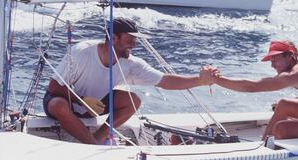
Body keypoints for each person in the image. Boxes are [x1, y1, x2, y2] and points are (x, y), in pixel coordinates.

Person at [43, 17, 209, 145]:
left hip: (96, 106)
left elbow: (165, 81)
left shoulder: (130, 63)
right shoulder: (82, 52)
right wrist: (82, 100)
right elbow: (53, 87)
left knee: (133, 100)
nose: (134, 45)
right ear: (113, 38)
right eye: (130, 40)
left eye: (135, 40)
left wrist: (200, 81)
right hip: (68, 101)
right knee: (58, 104)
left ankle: (100, 138)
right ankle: (92, 144)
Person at [200, 40, 298, 143]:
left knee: (281, 128)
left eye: (275, 59)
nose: (272, 65)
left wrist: (216, 80)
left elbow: (252, 87)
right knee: (283, 104)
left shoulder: (295, 74)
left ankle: (267, 153)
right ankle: (263, 144)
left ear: (290, 56)